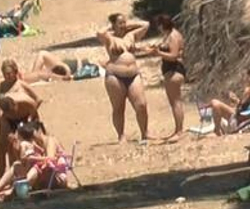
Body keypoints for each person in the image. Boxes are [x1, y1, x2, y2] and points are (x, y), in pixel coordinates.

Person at [98, 12, 150, 144]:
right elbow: (99, 32)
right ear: (114, 24)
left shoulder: (131, 36)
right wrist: (112, 28)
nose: (123, 25)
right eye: (120, 23)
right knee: (119, 107)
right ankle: (121, 135)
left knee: (141, 105)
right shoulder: (109, 38)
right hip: (115, 76)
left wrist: (128, 25)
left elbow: (146, 24)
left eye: (124, 22)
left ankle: (145, 133)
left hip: (133, 75)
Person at [0, 59, 44, 178]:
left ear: (15, 72)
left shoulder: (21, 84)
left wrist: (29, 117)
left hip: (22, 118)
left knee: (22, 147)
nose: (7, 76)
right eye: (5, 73)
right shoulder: (0, 86)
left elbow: (38, 99)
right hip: (7, 119)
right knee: (3, 148)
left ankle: (22, 175)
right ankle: (1, 178)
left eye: (9, 73)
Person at [144, 14, 187, 140]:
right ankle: (177, 130)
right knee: (174, 101)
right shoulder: (169, 35)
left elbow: (173, 55)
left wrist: (158, 53)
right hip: (170, 71)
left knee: (176, 102)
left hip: (174, 70)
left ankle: (179, 131)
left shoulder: (173, 36)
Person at [206, 68, 250, 135]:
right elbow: (247, 107)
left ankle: (218, 132)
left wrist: (235, 100)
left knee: (215, 103)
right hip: (249, 119)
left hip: (239, 121)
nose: (243, 78)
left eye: (244, 76)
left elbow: (241, 108)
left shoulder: (249, 89)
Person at [28, 50, 101, 82]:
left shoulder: (66, 69)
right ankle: (33, 75)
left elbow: (67, 76)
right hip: (70, 67)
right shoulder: (93, 67)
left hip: (70, 67)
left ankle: (33, 76)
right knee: (42, 55)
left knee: (42, 54)